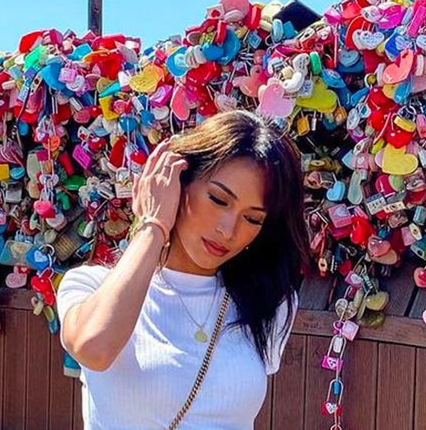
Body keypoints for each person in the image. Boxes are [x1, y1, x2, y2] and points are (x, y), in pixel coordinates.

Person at [57, 109, 309, 429]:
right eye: (218, 199)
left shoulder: (269, 303)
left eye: (252, 218)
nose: (228, 230)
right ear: (180, 183)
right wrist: (152, 225)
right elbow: (95, 348)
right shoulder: (90, 285)